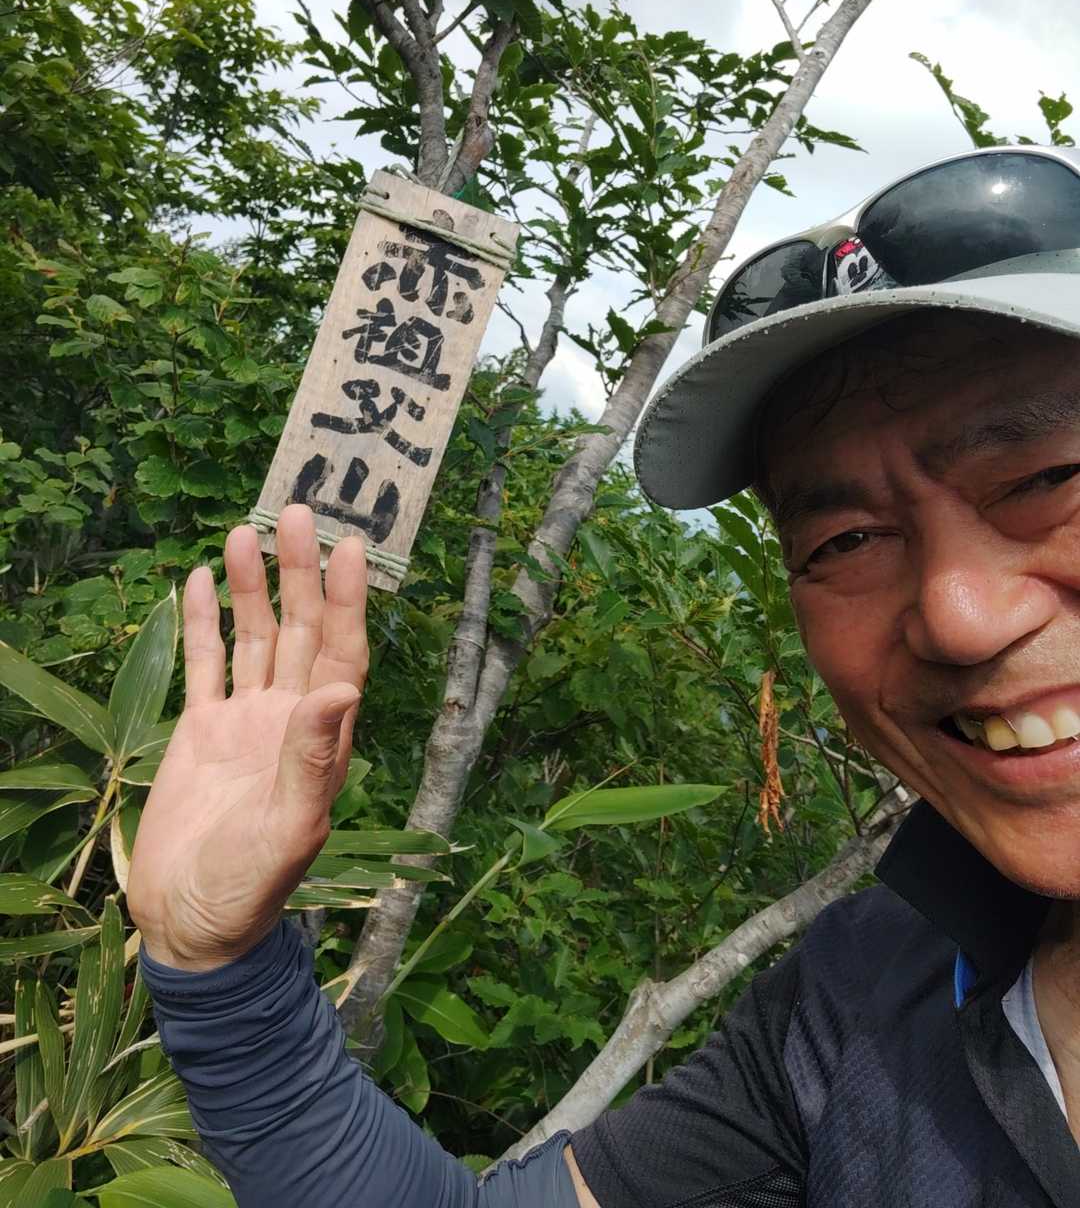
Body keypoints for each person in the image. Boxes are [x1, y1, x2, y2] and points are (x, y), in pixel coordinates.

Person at [128, 145, 1080, 1206]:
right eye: (845, 541)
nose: (958, 617)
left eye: (1048, 476)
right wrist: (220, 972)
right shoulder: (856, 1011)